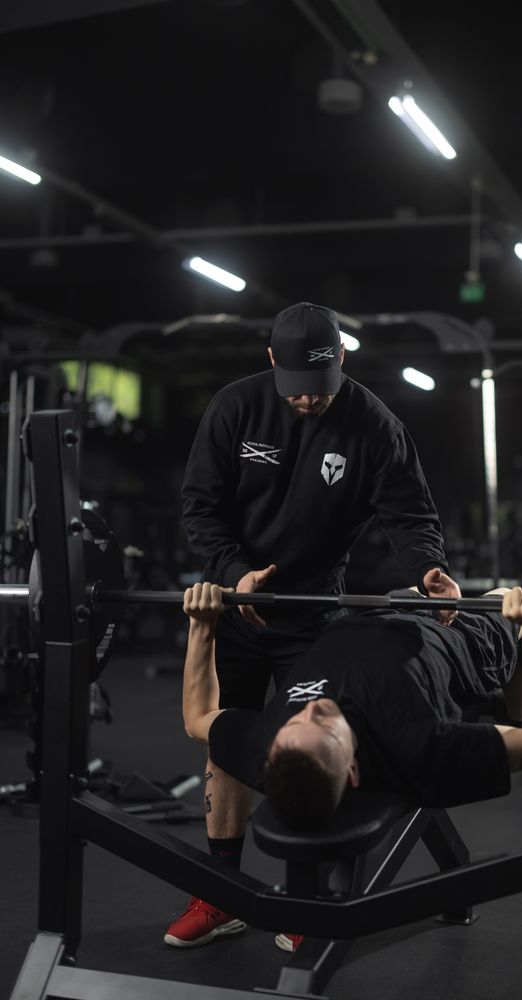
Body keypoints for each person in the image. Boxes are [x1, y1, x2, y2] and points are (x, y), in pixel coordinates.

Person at [168, 300, 461, 947]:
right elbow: (200, 506)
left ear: (343, 359)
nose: (307, 399)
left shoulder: (373, 424)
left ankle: (312, 900)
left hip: (314, 611)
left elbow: (410, 515)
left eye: (320, 387)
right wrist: (234, 572)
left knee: (317, 747)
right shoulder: (235, 407)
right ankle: (221, 895)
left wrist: (430, 569)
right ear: (272, 359)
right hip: (237, 603)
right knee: (226, 741)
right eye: (296, 386)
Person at [171, 580, 522, 952]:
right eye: (325, 728)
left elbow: (196, 718)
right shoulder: (416, 748)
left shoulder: (268, 746)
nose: (315, 710)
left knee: (423, 583)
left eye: (297, 721)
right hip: (457, 634)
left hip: (376, 610)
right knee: (508, 596)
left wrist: (201, 624)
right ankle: (514, 699)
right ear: (352, 771)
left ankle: (510, 694)